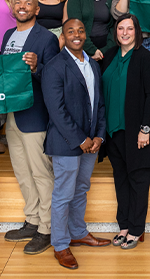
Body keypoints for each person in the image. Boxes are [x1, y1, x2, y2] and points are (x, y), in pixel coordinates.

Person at [44, 18, 110, 269]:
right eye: (70, 31)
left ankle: (78, 232)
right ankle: (60, 244)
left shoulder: (92, 64)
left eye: (81, 30)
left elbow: (100, 104)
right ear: (63, 36)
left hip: (91, 143)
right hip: (66, 143)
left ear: (86, 35)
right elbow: (56, 110)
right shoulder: (55, 66)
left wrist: (98, 137)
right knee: (63, 195)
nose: (76, 34)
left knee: (81, 189)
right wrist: (80, 139)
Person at [0, 0, 62, 255]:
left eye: (28, 3)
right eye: (18, 2)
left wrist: (37, 68)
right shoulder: (7, 36)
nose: (22, 6)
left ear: (37, 10)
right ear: (13, 8)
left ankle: (47, 229)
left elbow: (53, 79)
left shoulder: (47, 38)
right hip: (12, 113)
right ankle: (32, 219)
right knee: (22, 172)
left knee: (40, 172)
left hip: (35, 113)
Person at [97, 14, 150, 249]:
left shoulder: (144, 57)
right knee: (120, 179)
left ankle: (136, 228)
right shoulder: (110, 55)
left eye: (129, 29)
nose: (124, 33)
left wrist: (145, 130)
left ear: (136, 31)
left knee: (138, 179)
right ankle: (123, 225)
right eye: (120, 28)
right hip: (113, 131)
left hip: (136, 132)